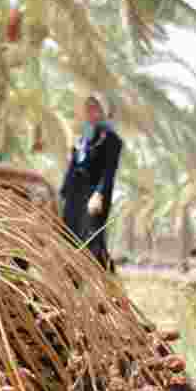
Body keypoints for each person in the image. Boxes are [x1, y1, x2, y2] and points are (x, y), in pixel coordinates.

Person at [59, 93, 123, 273]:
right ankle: (71, 284)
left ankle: (107, 286)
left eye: (94, 107)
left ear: (103, 111)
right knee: (70, 238)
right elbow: (72, 169)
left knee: (92, 241)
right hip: (75, 196)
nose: (89, 111)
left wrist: (99, 194)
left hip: (93, 196)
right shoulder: (81, 140)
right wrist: (61, 196)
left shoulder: (111, 139)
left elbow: (109, 172)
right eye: (87, 108)